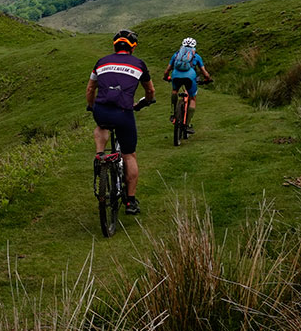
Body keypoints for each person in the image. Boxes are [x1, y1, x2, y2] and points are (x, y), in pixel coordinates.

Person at [86, 30, 156, 215]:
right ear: (133, 47)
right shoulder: (139, 64)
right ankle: (130, 202)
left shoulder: (101, 62)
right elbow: (150, 91)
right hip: (124, 113)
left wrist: (91, 106)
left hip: (102, 110)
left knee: (101, 126)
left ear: (115, 45)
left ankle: (100, 155)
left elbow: (90, 88)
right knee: (129, 154)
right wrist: (146, 101)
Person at [164, 37, 213, 134]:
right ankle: (187, 124)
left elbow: (167, 70)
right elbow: (204, 72)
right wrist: (208, 79)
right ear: (194, 47)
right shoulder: (196, 56)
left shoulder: (177, 55)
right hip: (190, 77)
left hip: (176, 75)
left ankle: (173, 112)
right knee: (192, 98)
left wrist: (166, 77)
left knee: (175, 91)